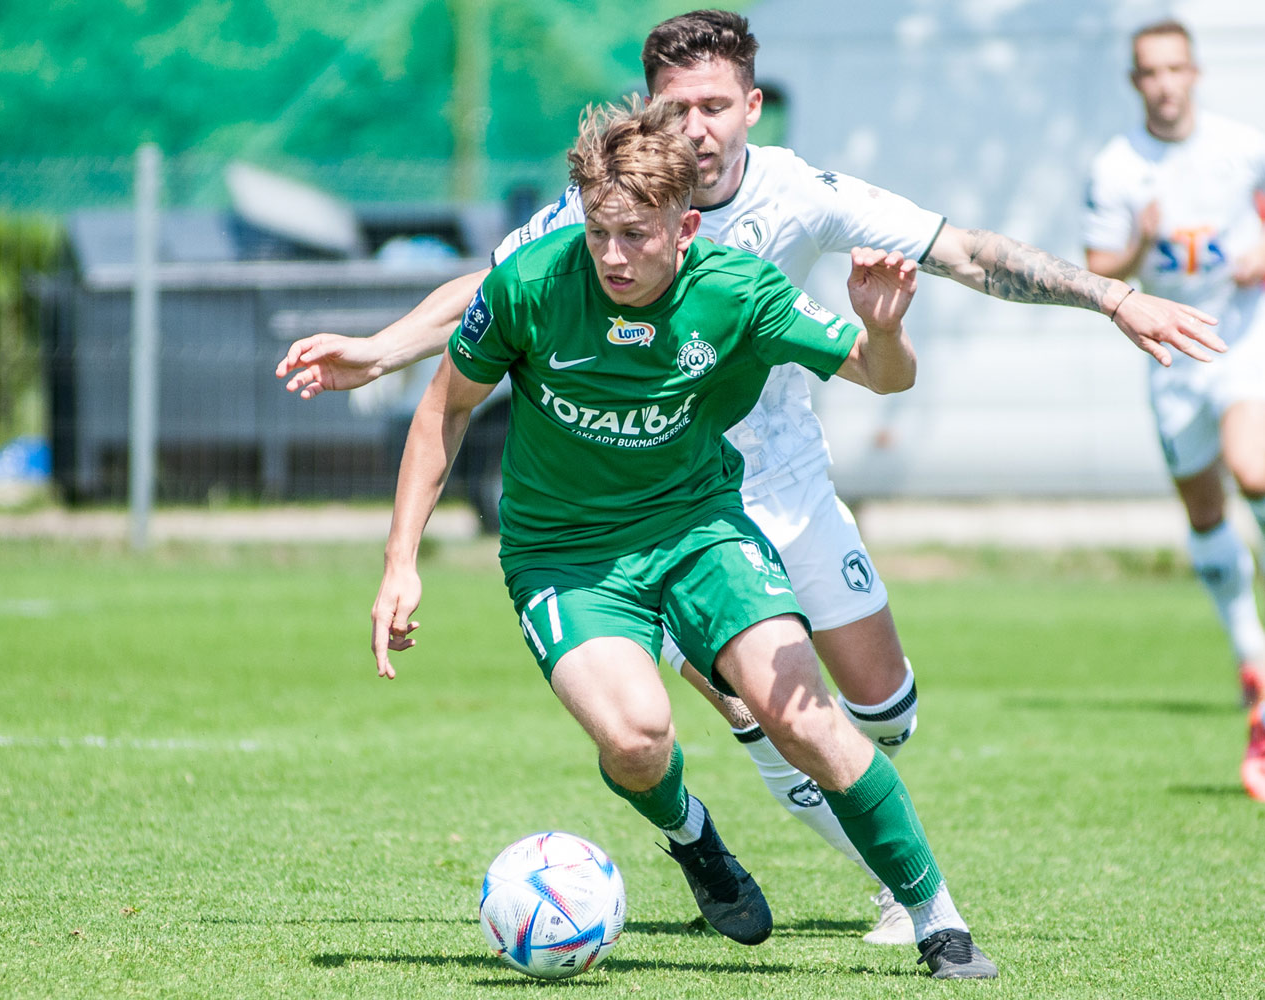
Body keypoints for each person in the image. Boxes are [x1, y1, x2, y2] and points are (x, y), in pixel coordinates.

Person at [280, 9, 1225, 942]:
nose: (694, 127)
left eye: (714, 106)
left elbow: (966, 255)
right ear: (647, 111)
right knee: (755, 714)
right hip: (675, 496)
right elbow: (489, 290)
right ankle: (882, 882)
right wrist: (381, 350)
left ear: (752, 107)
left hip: (786, 477)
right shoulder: (612, 205)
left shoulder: (802, 196)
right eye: (674, 106)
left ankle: (803, 764)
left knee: (879, 710)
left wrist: (1111, 297)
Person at [373, 95, 997, 978]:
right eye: (599, 233)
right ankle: (692, 838)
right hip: (565, 555)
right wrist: (401, 562)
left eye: (635, 234)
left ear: (687, 224)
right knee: (636, 740)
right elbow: (445, 409)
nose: (613, 256)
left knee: (801, 717)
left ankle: (938, 920)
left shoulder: (738, 291)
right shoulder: (531, 283)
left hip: (699, 529)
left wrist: (887, 330)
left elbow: (882, 378)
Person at [1082, 18, 1265, 801]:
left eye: (1174, 69)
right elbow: (1098, 269)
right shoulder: (1119, 166)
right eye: (1149, 72)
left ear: (1194, 74)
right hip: (1170, 353)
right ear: (1137, 82)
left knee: (1251, 466)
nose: (1163, 83)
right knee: (1202, 511)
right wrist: (1138, 245)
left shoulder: (1241, 144)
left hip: (1241, 334)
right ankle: (1248, 653)